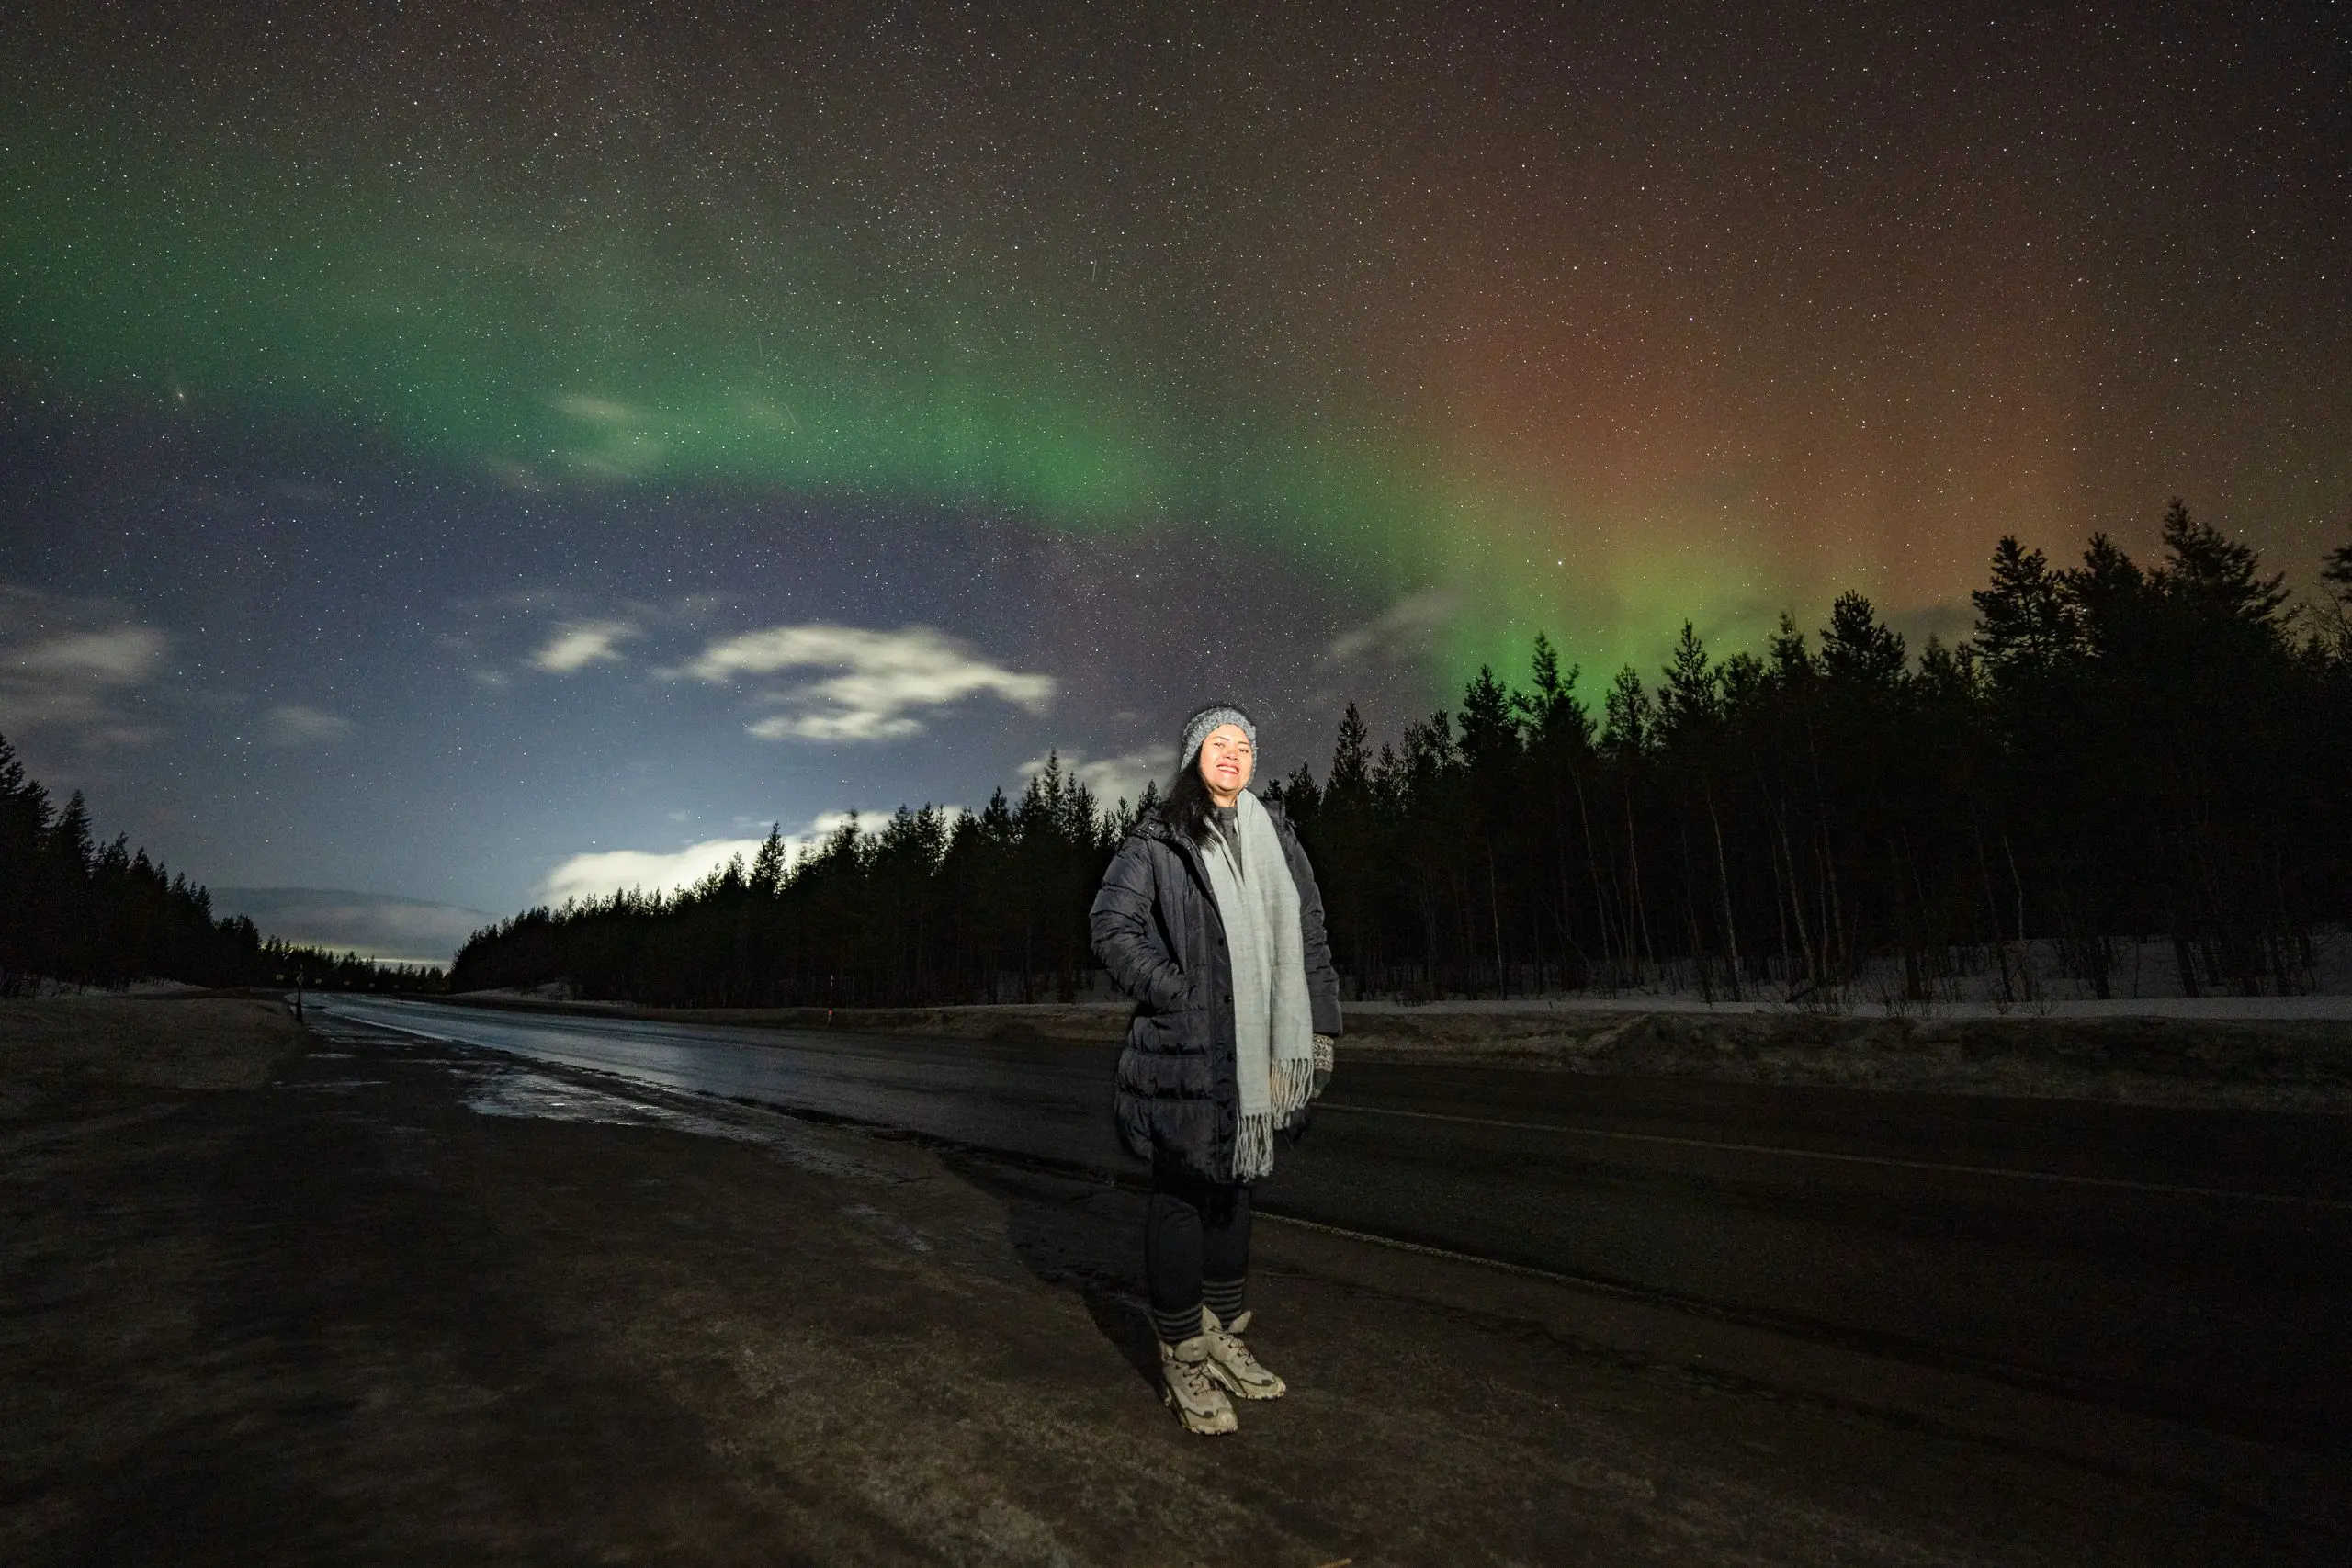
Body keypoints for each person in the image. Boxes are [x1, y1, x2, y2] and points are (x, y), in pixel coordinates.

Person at [1089, 703, 1341, 1434]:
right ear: (1194, 755)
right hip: (1186, 1050)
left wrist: (1320, 1027)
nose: (1231, 755)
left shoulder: (1277, 836)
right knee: (1182, 1190)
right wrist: (1177, 989)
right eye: (1216, 744)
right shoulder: (1160, 837)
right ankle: (1180, 1352)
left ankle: (1221, 1332)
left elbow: (1310, 935)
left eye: (1243, 746)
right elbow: (1111, 924)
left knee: (1237, 1185)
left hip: (1262, 1044)